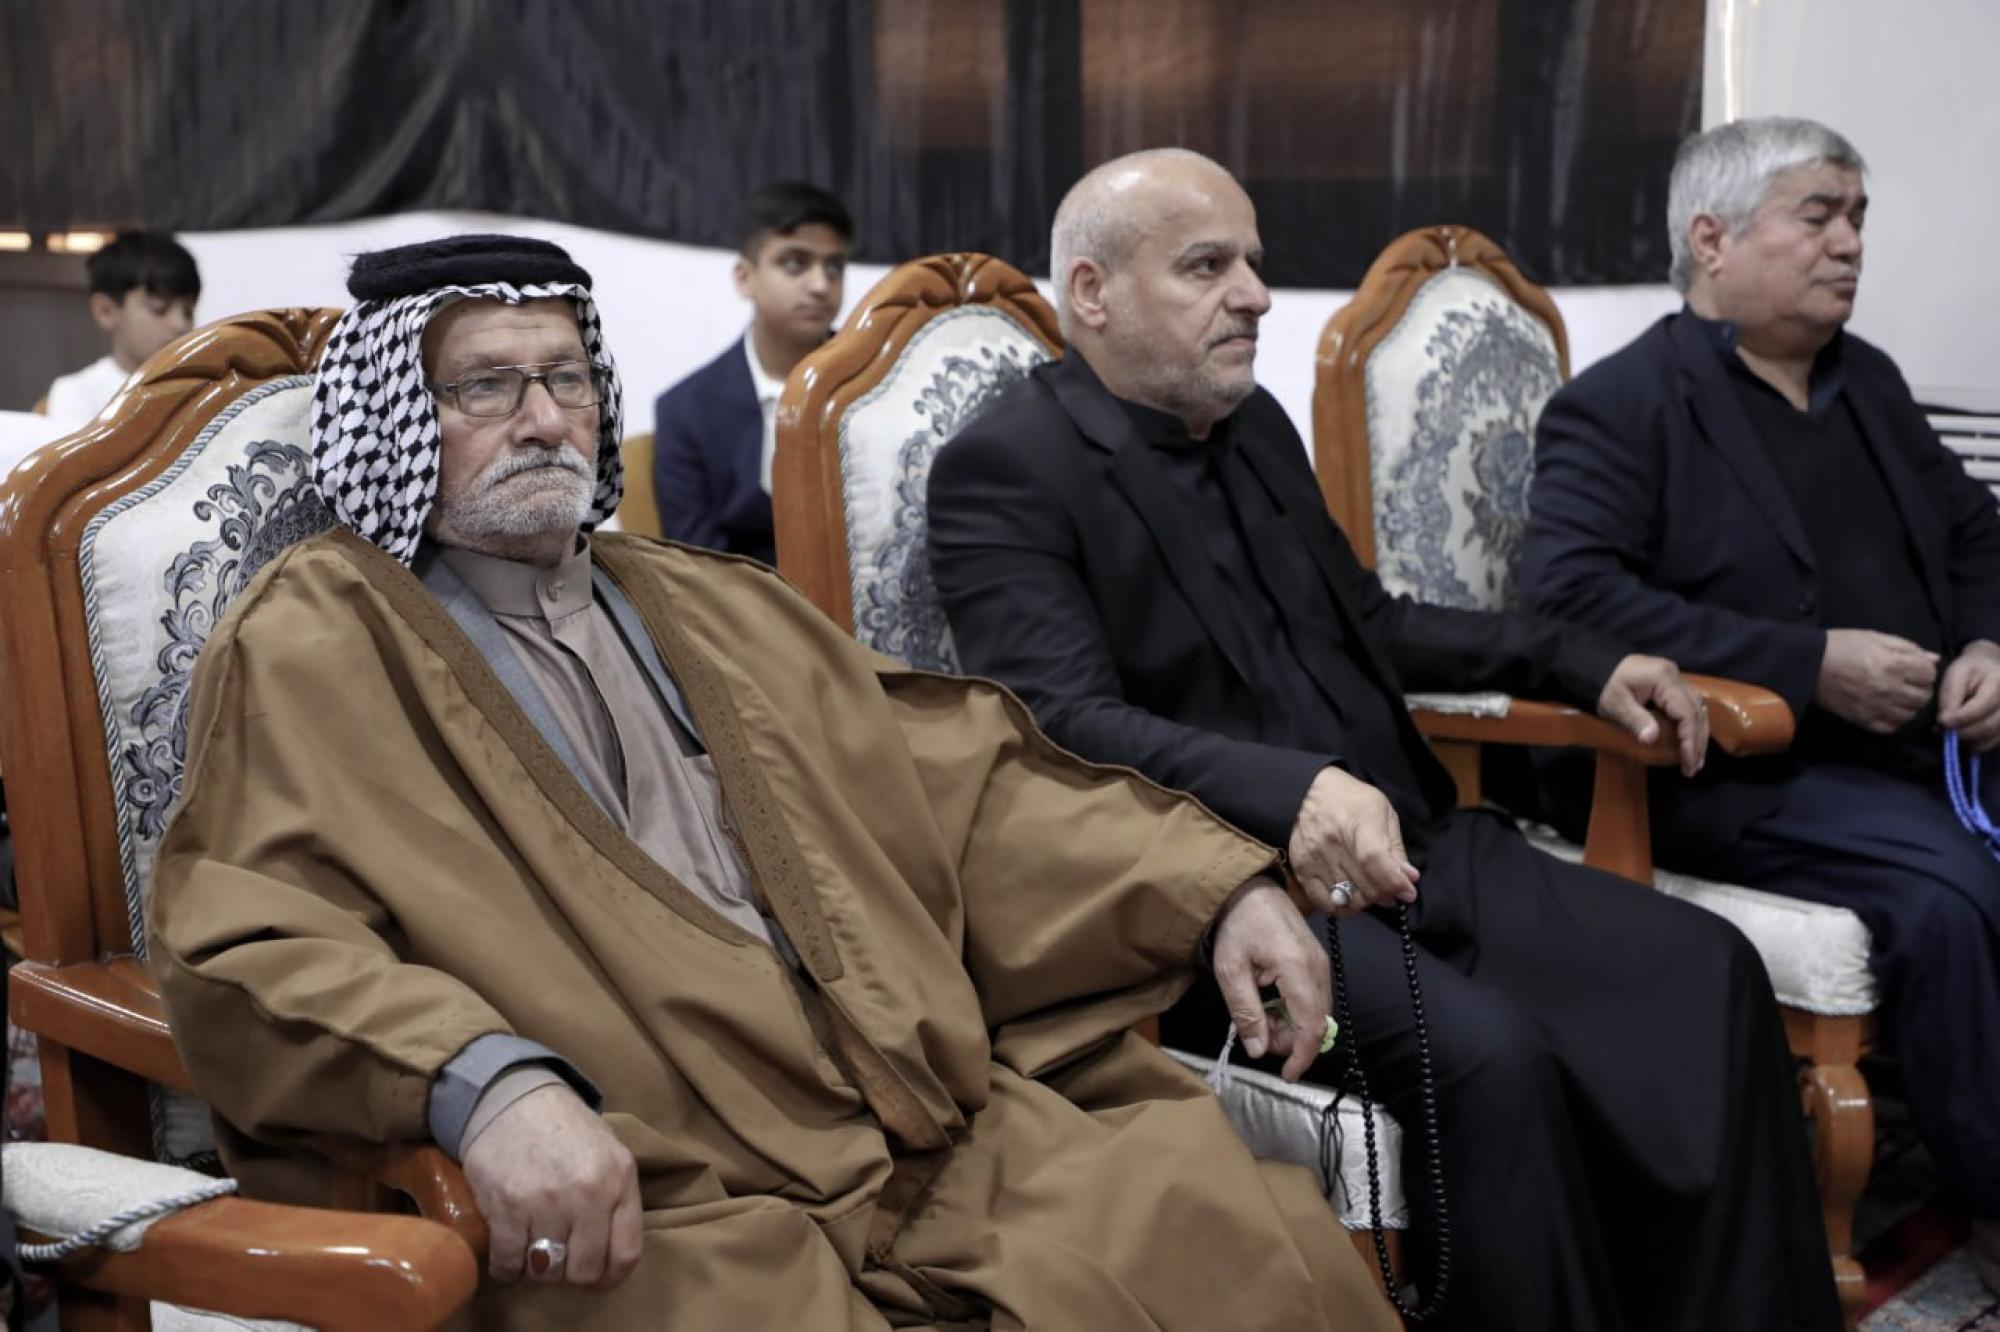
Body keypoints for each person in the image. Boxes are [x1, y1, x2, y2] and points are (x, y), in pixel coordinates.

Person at [146, 233, 1398, 1330]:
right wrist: (484, 1083)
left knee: (1232, 1235)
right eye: (485, 387)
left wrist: (1209, 888)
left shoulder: (707, 600)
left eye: (566, 379)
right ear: (396, 420)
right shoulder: (315, 641)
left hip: (922, 1124)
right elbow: (258, 938)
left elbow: (957, 788)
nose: (542, 421)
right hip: (656, 1186)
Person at [926, 148, 1843, 1331]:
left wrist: (1578, 658)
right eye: (1206, 267)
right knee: (1492, 1060)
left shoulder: (1252, 424)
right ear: (1091, 293)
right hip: (1231, 901)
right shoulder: (1004, 467)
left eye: (1252, 262)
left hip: (1416, 844)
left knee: (1704, 969)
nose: (1254, 294)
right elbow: (1057, 724)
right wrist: (1294, 788)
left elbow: (1369, 623)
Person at [1519, 115, 2000, 1292]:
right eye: (1816, 216)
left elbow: (1975, 537)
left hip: (1913, 751)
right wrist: (1805, 663)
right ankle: (1990, 1198)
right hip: (1736, 771)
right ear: (1710, 240)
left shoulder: (1863, 380)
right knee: (1949, 893)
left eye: (1856, 219)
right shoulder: (1623, 405)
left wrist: (1988, 643)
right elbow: (1567, 599)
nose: (1848, 244)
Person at [651, 182, 852, 562]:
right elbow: (695, 563)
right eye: (795, 263)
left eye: (834, 267)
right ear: (745, 277)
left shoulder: (879, 380)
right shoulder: (686, 410)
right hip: (739, 596)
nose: (821, 285)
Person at [42, 231, 200, 422]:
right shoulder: (77, 394)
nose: (180, 324)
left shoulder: (205, 389)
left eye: (188, 312)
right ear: (106, 311)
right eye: (160, 308)